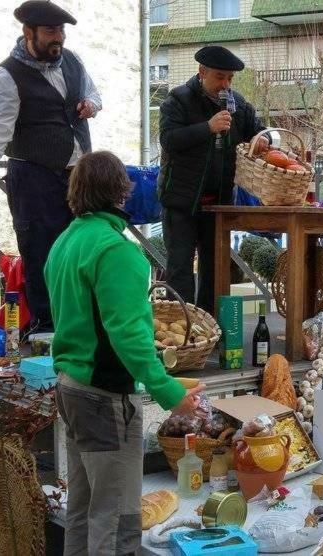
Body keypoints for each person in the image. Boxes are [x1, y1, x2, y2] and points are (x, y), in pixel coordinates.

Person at [45, 151, 204, 554]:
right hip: (103, 396)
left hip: (71, 387)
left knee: (82, 511)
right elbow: (129, 336)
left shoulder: (65, 241)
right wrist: (170, 394)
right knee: (116, 523)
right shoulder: (117, 250)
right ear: (122, 192)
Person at [0, 0, 101, 333]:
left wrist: (91, 105)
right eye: (51, 31)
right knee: (41, 254)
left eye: (61, 31)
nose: (59, 38)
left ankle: (83, 327)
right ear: (28, 32)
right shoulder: (7, 75)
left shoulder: (73, 60)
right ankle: (45, 329)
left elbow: (95, 93)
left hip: (78, 176)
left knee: (82, 252)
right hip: (34, 176)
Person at [158, 46, 265, 313]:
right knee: (180, 269)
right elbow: (169, 140)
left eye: (230, 78)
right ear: (202, 72)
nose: (225, 85)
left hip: (219, 203)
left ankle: (210, 330)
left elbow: (261, 131)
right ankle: (182, 333)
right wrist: (207, 127)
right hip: (181, 201)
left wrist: (263, 139)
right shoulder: (178, 99)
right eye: (220, 77)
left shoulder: (238, 105)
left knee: (215, 269)